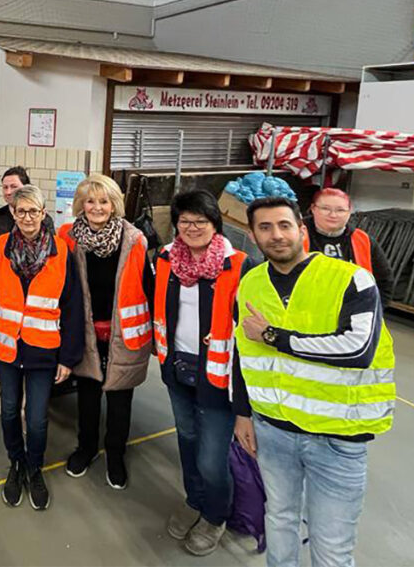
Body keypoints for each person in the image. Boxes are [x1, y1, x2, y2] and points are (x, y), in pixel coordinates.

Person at [233, 196, 395, 567]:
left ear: (302, 230)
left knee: (332, 545)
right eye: (265, 228)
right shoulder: (251, 283)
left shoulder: (351, 279)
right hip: (273, 429)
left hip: (337, 437)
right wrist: (243, 413)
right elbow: (243, 351)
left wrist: (275, 336)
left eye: (284, 225)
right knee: (279, 518)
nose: (276, 235)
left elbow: (358, 350)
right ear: (253, 236)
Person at [154, 190, 253, 556]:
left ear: (215, 223)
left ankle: (215, 514)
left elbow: (250, 332)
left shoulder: (240, 265)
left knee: (212, 456)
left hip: (219, 378)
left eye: (201, 221)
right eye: (185, 221)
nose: (192, 228)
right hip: (177, 368)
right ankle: (194, 501)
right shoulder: (166, 259)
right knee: (187, 440)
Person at [0, 185, 83, 510]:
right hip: (6, 348)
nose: (27, 218)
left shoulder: (62, 252)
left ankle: (34, 467)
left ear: (43, 212)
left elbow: (73, 306)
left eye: (33, 211)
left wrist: (68, 357)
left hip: (43, 351)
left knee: (36, 419)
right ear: (12, 214)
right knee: (9, 411)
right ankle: (16, 463)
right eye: (20, 211)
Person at [58, 173, 153, 490]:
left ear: (114, 204)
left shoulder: (136, 240)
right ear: (80, 205)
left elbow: (150, 289)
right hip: (83, 333)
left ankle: (115, 454)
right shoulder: (68, 238)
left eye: (104, 201)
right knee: (86, 397)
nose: (97, 207)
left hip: (124, 335)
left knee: (119, 402)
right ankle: (86, 449)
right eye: (90, 200)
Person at [303, 187, 394, 302]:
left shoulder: (363, 240)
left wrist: (371, 310)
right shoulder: (294, 235)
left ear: (349, 212)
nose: (333, 215)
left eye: (340, 210)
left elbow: (384, 281)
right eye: (325, 208)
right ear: (313, 209)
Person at [0, 166, 30, 242]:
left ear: (26, 188)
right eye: (5, 187)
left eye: (14, 187)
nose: (8, 192)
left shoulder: (41, 219)